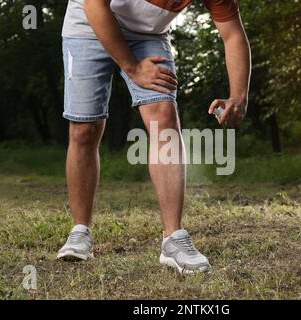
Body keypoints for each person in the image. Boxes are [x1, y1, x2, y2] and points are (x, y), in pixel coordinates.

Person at [57, 0, 251, 275]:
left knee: (164, 118)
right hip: (89, 22)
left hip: (148, 35)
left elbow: (232, 34)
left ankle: (174, 239)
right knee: (84, 128)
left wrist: (239, 95)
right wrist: (133, 68)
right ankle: (80, 231)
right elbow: (94, 4)